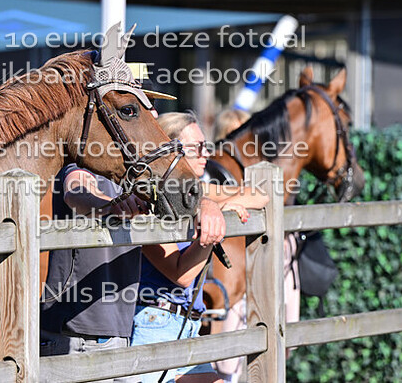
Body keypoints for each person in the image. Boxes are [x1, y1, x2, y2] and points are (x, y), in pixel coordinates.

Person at [40, 159, 227, 382]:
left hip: (119, 330)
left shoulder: (134, 178)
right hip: (75, 331)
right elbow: (77, 193)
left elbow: (180, 197)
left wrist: (208, 205)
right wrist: (111, 205)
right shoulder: (79, 164)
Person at [131, 112, 268, 383]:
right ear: (170, 151)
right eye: (197, 148)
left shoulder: (195, 190)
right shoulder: (145, 201)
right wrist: (209, 231)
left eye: (206, 146)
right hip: (153, 324)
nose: (207, 154)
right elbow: (181, 275)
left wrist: (219, 210)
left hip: (189, 327)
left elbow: (260, 194)